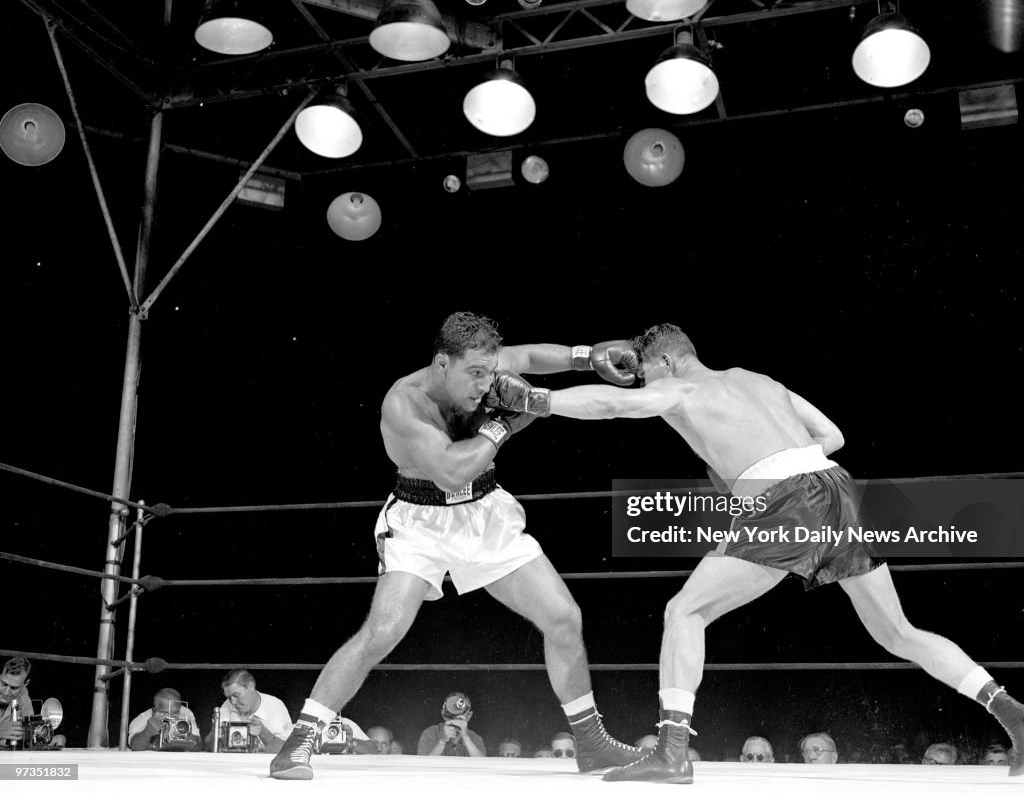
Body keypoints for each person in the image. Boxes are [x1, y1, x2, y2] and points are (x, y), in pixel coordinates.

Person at [487, 322, 1024, 783]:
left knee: (684, 610)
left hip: (786, 501)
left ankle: (673, 753)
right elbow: (831, 435)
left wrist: (538, 400)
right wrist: (753, 462)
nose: (646, 386)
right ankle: (1013, 713)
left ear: (670, 361)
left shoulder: (684, 390)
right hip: (835, 486)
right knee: (896, 632)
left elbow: (613, 405)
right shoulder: (757, 381)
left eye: (649, 374)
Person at [269, 312, 640, 780]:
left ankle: (590, 743)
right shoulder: (405, 405)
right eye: (476, 374)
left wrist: (587, 358)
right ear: (442, 363)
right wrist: (512, 418)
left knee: (564, 618)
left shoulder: (481, 366)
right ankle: (299, 742)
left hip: (484, 511)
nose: (485, 384)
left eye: (490, 373)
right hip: (420, 521)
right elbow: (449, 470)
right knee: (381, 631)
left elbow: (527, 356)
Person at [209, 670, 292, 753]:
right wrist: (214, 737)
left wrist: (263, 733)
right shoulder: (227, 705)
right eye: (229, 697)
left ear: (251, 686)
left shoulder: (275, 706)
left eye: (236, 695)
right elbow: (210, 745)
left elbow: (288, 750)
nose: (233, 702)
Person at [128, 688, 202, 751]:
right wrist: (148, 731)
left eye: (174, 713)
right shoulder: (143, 718)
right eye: (165, 713)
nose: (171, 717)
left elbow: (199, 746)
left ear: (179, 709)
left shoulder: (185, 713)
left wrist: (186, 734)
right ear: (154, 711)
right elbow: (135, 747)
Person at [417, 691, 486, 757]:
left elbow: (484, 766)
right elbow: (422, 765)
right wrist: (442, 741)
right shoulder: (430, 733)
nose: (454, 722)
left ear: (469, 715)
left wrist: (466, 737)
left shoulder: (475, 738)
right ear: (443, 714)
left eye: (459, 718)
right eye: (450, 717)